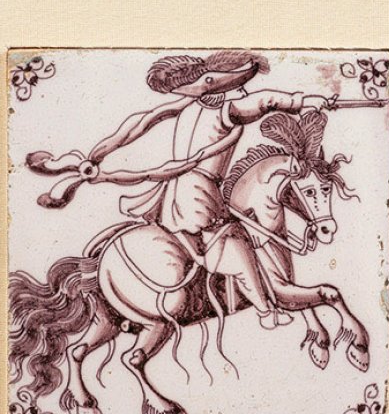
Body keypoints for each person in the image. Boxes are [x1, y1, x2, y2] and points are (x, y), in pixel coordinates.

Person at [73, 51, 332, 326]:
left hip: (175, 193)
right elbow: (264, 101)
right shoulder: (227, 112)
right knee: (235, 243)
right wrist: (301, 101)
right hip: (200, 192)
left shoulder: (187, 108)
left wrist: (96, 156)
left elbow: (139, 123)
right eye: (240, 86)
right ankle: (267, 312)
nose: (243, 92)